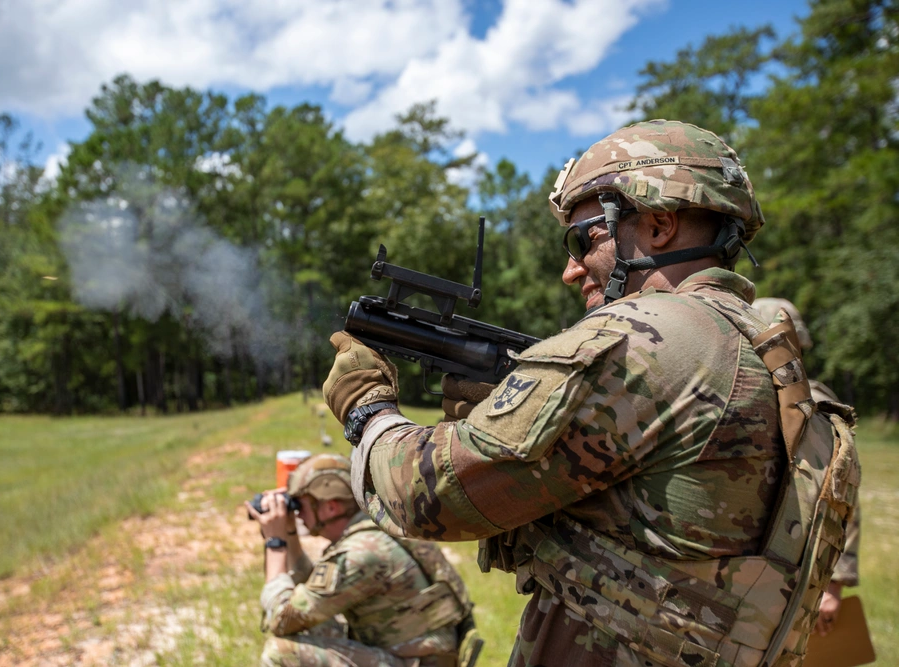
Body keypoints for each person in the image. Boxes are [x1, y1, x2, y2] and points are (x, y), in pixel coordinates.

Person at [322, 120, 860, 667]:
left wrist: (368, 408)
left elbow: (427, 497)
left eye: (585, 239)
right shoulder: (763, 354)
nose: (570, 269)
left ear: (658, 225)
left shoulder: (642, 339)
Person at [245, 452, 481, 667]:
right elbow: (308, 594)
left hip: (415, 662)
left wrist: (274, 544)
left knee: (281, 652)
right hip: (417, 656)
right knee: (316, 623)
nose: (297, 513)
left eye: (302, 504)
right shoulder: (381, 527)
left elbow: (281, 618)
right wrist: (288, 532)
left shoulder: (361, 552)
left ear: (331, 507)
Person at [753, 297, 862, 638]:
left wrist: (835, 584)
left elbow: (842, 494)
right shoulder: (750, 395)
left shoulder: (815, 405)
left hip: (803, 562)